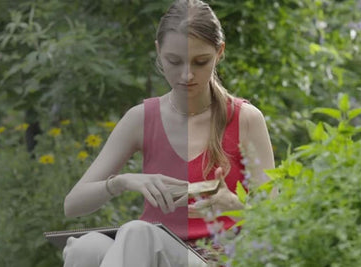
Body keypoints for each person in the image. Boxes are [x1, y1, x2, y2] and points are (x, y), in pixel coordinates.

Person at [62, 0, 275, 266]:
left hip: (217, 259)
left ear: (219, 52)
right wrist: (123, 181)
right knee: (85, 248)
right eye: (173, 61)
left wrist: (233, 204)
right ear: (158, 52)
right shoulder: (141, 119)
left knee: (137, 232)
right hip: (146, 251)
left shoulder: (245, 119)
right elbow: (72, 205)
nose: (187, 74)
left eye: (200, 62)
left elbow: (276, 220)